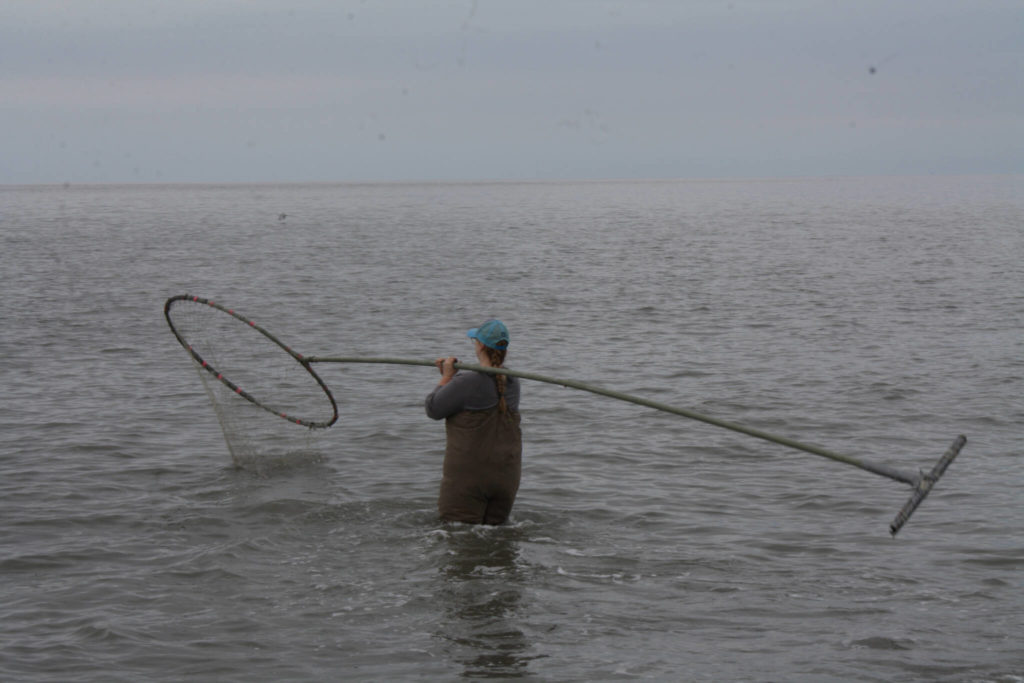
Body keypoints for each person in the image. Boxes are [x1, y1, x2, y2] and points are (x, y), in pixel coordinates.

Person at [425, 319, 522, 525]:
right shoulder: (513, 382)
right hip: (507, 478)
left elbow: (433, 408)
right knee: (496, 540)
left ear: (479, 346)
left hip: (469, 480)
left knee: (458, 538)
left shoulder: (467, 382)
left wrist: (446, 378)